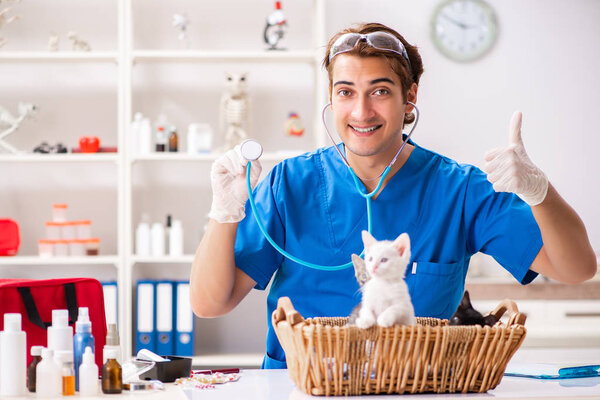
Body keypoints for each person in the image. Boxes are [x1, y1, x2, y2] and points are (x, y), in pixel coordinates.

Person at [190, 22, 597, 369]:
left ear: (410, 98)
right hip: (302, 385)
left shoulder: (460, 189)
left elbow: (576, 269)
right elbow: (210, 303)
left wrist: (539, 191)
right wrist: (223, 213)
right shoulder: (289, 184)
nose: (361, 111)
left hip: (415, 386)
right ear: (331, 98)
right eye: (346, 92)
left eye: (380, 91)